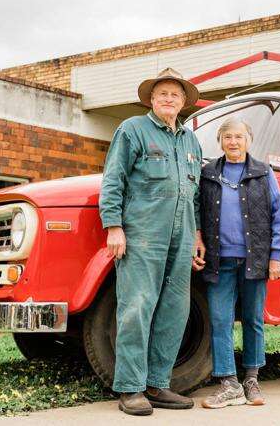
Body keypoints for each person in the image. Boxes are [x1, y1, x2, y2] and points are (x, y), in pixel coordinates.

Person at [99, 67, 204, 415]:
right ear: (152, 100)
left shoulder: (190, 141)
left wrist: (197, 234)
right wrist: (113, 226)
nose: (169, 99)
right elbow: (113, 179)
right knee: (137, 307)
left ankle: (158, 384)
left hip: (183, 236)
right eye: (163, 94)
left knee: (175, 310)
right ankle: (130, 388)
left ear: (184, 101)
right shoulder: (132, 130)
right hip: (143, 235)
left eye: (175, 94)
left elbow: (195, 194)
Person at [195, 117, 280, 408]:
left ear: (248, 140)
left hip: (255, 259)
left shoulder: (263, 172)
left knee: (252, 319)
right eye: (227, 137)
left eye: (239, 136)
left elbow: (278, 214)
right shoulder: (208, 173)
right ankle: (229, 383)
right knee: (220, 320)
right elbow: (197, 208)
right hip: (218, 260)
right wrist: (195, 237)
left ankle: (251, 379)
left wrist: (276, 255)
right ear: (220, 141)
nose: (233, 142)